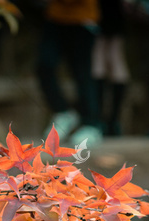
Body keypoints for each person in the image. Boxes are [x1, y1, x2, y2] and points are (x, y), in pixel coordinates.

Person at [36, 0, 102, 146]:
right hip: (55, 17)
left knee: (82, 72)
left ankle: (91, 124)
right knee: (45, 65)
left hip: (83, 18)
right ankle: (63, 111)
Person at [92, 0, 130, 136]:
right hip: (114, 8)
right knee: (114, 56)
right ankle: (112, 122)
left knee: (100, 56)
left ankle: (100, 121)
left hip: (100, 8)